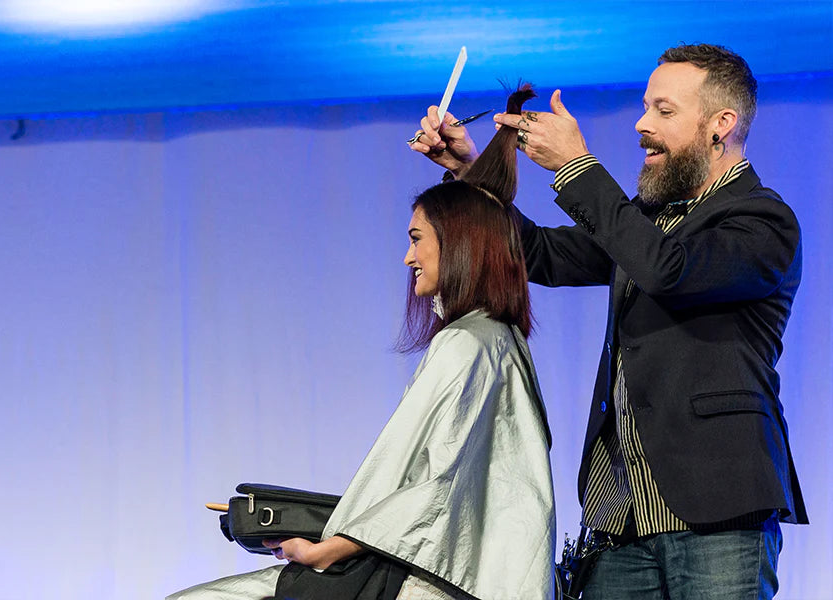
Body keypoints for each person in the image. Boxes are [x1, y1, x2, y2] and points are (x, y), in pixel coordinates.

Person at [411, 43, 806, 598]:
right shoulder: (646, 224)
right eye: (645, 107)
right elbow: (540, 254)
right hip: (621, 520)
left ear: (721, 124)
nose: (642, 124)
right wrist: (471, 172)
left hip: (718, 517)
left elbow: (667, 270)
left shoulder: (763, 220)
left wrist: (577, 168)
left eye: (664, 111)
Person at [167, 87, 556, 600]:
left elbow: (436, 484)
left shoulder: (467, 344)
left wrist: (327, 547)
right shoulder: (497, 338)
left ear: (458, 244)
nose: (406, 258)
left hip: (434, 581)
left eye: (416, 239)